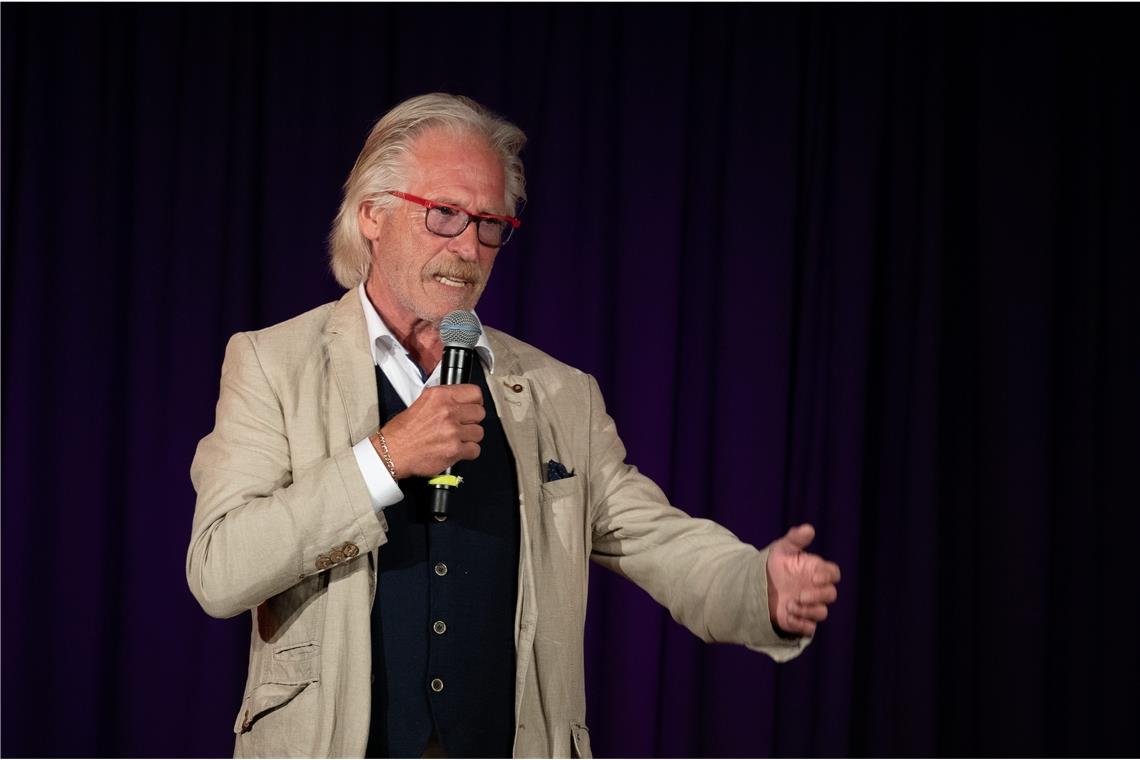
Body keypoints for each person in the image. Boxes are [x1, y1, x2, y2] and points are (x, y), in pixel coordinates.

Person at [188, 93, 841, 759]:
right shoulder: (275, 364)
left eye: (490, 224)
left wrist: (755, 588)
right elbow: (219, 569)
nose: (468, 247)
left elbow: (654, 538)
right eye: (443, 215)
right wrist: (381, 459)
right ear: (371, 217)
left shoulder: (559, 395)